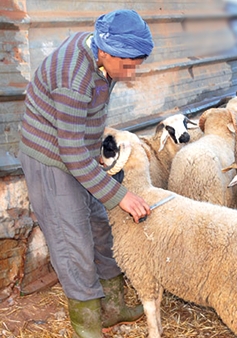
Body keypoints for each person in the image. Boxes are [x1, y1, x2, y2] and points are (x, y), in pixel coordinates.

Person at [18, 9, 153, 337]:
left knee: (99, 226)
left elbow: (83, 128)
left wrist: (99, 165)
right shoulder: (74, 77)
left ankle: (112, 308)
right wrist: (119, 195)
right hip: (50, 160)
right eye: (128, 65)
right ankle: (88, 327)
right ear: (106, 52)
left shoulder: (103, 60)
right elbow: (69, 152)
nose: (131, 74)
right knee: (72, 241)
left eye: (136, 64)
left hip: (77, 153)